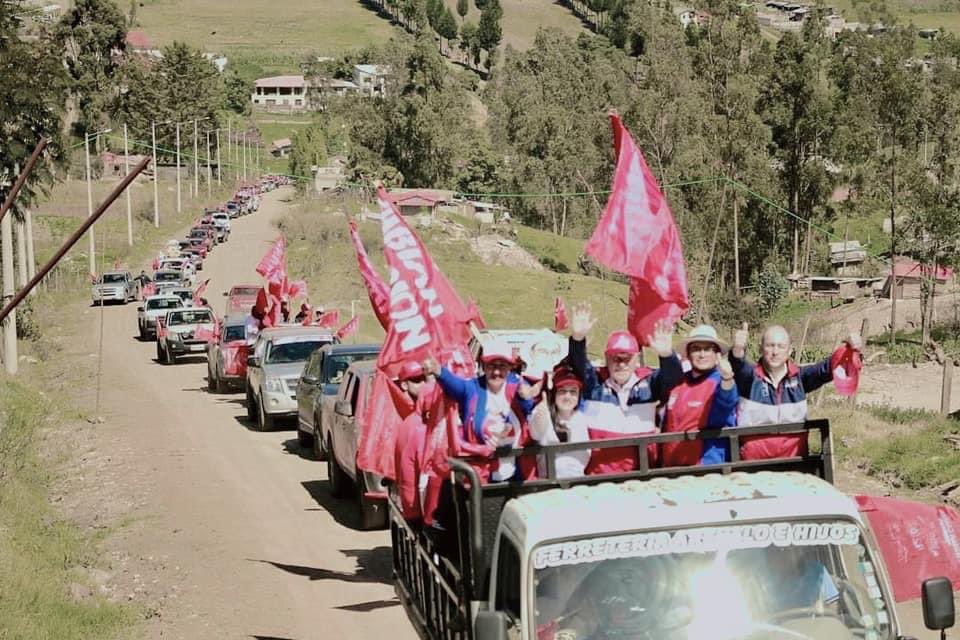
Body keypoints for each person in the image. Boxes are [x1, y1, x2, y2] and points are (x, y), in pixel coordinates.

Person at [729, 323, 862, 459]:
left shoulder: (800, 378)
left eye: (781, 346)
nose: (775, 352)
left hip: (795, 464)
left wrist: (849, 349)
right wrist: (738, 350)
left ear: (790, 351)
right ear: (760, 348)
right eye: (770, 345)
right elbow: (738, 366)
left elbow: (826, 369)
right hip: (752, 467)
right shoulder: (749, 378)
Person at [422, 338, 535, 483]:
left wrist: (526, 397)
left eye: (502, 366)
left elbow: (528, 407)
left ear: (509, 367)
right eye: (491, 365)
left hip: (516, 472)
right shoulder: (473, 388)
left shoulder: (517, 385)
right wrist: (439, 372)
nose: (496, 372)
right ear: (483, 365)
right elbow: (456, 385)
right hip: (482, 474)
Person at [568, 302, 683, 433]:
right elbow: (577, 363)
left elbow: (674, 380)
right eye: (615, 358)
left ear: (636, 358)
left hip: (641, 453)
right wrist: (577, 338)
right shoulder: (595, 383)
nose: (621, 364)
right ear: (606, 358)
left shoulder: (649, 383)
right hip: (602, 453)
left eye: (627, 358)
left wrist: (666, 355)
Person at [660, 325, 738, 467]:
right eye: (696, 349)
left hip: (707, 469)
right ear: (688, 354)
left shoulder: (721, 382)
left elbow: (726, 404)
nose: (702, 354)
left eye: (708, 349)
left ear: (717, 354)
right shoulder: (678, 383)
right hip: (671, 470)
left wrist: (727, 379)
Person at [527, 366, 592, 478]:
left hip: (578, 483)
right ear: (554, 394)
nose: (568, 396)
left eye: (573, 392)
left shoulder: (582, 419)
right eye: (562, 391)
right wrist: (540, 416)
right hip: (549, 484)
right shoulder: (544, 413)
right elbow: (536, 433)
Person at [393, 361, 430, 525]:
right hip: (417, 508)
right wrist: (414, 513)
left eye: (424, 379)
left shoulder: (418, 418)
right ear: (404, 384)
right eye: (416, 380)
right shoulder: (413, 424)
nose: (422, 384)